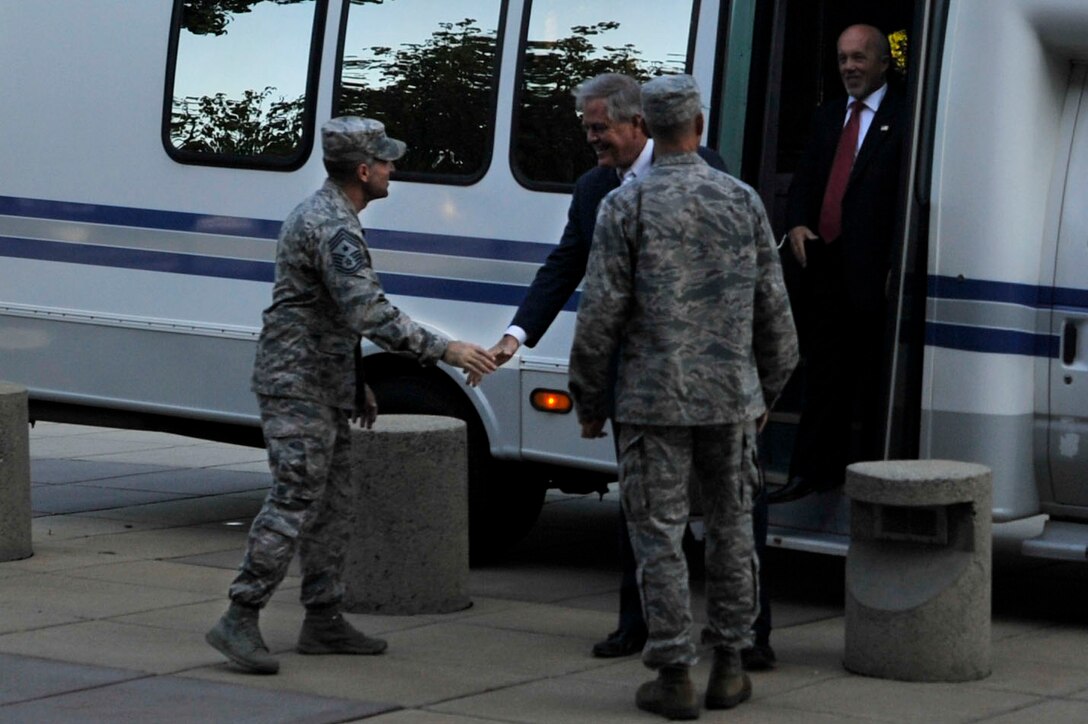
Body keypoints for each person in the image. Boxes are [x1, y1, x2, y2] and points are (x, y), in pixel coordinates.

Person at [474, 73, 780, 667]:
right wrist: (517, 335)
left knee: (736, 517)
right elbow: (568, 265)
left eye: (599, 128)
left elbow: (760, 294)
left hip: (719, 386)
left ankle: (747, 640)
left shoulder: (714, 177)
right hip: (643, 386)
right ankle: (636, 626)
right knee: (642, 513)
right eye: (587, 129)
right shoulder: (595, 191)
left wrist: (766, 385)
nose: (592, 140)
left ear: (638, 123)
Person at [206, 117, 497, 675]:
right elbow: (369, 313)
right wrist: (447, 350)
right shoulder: (333, 227)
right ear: (363, 171)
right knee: (295, 499)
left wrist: (353, 378)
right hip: (297, 385)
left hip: (320, 379)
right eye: (386, 161)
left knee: (333, 508)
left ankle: (323, 619)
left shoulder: (329, 217)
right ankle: (239, 616)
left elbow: (330, 315)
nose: (393, 169)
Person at [569, 75, 798, 720]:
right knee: (731, 534)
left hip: (651, 402)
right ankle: (730, 662)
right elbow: (775, 317)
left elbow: (601, 317)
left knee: (659, 540)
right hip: (729, 402)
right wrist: (765, 393)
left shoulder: (626, 207)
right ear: (697, 125)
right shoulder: (742, 200)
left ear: (646, 123)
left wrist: (591, 398)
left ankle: (674, 674)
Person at [771, 24, 906, 503]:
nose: (849, 67)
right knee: (823, 377)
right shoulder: (829, 117)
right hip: (824, 266)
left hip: (876, 275)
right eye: (843, 58)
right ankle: (810, 473)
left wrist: (898, 262)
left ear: (883, 62)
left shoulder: (906, 116)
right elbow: (807, 180)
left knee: (871, 382)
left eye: (859, 58)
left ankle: (867, 481)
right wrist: (799, 224)